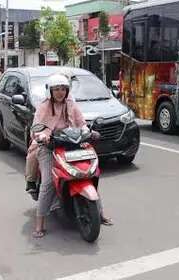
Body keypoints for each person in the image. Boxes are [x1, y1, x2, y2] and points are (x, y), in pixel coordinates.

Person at [29, 73, 112, 238]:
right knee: (47, 183)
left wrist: (88, 131)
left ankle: (99, 213)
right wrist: (42, 136)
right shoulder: (44, 106)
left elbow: (81, 123)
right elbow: (35, 128)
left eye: (63, 89)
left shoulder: (71, 103)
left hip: (72, 143)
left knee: (89, 173)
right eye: (56, 89)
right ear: (50, 91)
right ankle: (40, 223)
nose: (60, 92)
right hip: (49, 146)